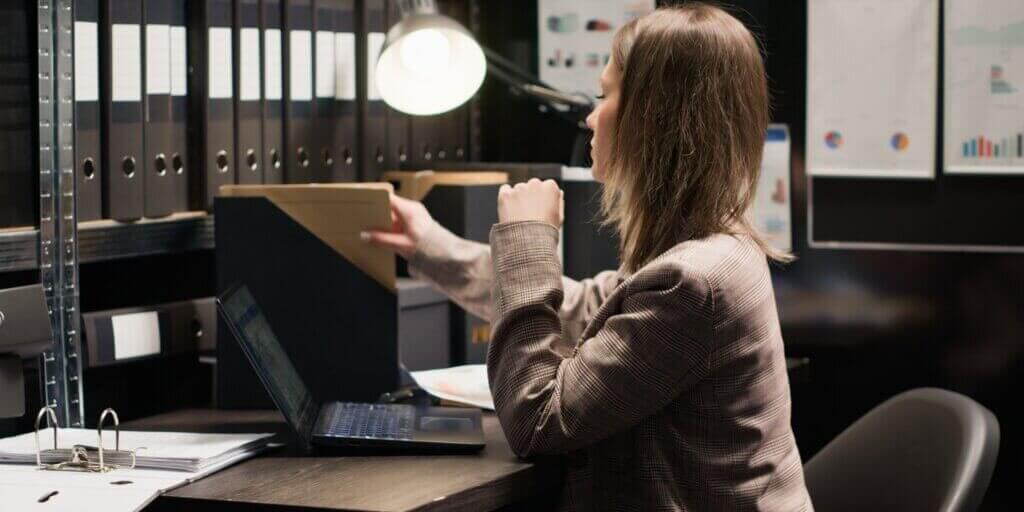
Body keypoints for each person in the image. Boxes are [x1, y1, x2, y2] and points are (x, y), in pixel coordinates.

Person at [364, 3, 812, 510]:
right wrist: (431, 245)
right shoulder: (715, 249)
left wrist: (528, 238)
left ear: (654, 119)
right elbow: (585, 308)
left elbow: (536, 421)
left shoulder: (694, 282)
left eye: (605, 95)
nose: (590, 115)